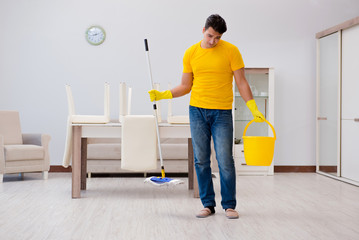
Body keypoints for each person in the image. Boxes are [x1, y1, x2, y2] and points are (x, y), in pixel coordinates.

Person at [148, 14, 264, 219]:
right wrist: (164, 95)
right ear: (203, 30)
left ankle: (229, 205)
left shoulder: (231, 51)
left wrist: (252, 106)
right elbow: (185, 86)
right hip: (197, 111)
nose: (213, 41)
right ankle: (208, 205)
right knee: (201, 160)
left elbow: (242, 82)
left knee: (225, 160)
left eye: (217, 37)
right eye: (210, 35)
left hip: (222, 113)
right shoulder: (191, 53)